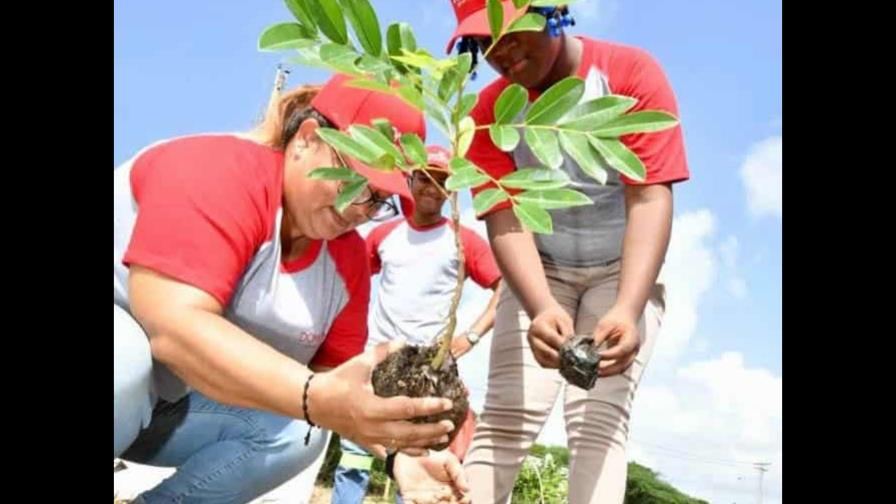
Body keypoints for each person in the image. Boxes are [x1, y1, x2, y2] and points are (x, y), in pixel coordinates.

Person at [114, 72, 470, 504]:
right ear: (306, 139)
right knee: (124, 357)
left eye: (377, 199)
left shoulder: (347, 261)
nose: (360, 209)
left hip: (158, 407)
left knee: (298, 431)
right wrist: (313, 395)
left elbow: (334, 387)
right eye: (353, 182)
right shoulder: (220, 170)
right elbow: (173, 327)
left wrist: (399, 455)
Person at [443, 2, 690, 502]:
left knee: (597, 418)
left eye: (511, 32)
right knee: (508, 416)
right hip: (542, 269)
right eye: (484, 42)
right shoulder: (488, 116)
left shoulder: (628, 74)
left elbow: (648, 196)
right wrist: (540, 306)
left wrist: (627, 306)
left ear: (552, 11)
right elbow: (505, 215)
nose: (501, 52)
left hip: (620, 272)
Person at [332, 145, 501, 503]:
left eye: (441, 180)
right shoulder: (384, 235)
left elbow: (506, 288)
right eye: (424, 177)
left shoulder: (463, 240)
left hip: (426, 374)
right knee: (354, 457)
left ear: (452, 188)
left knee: (415, 462)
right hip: (377, 364)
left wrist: (469, 336)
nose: (431, 187)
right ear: (411, 179)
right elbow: (348, 280)